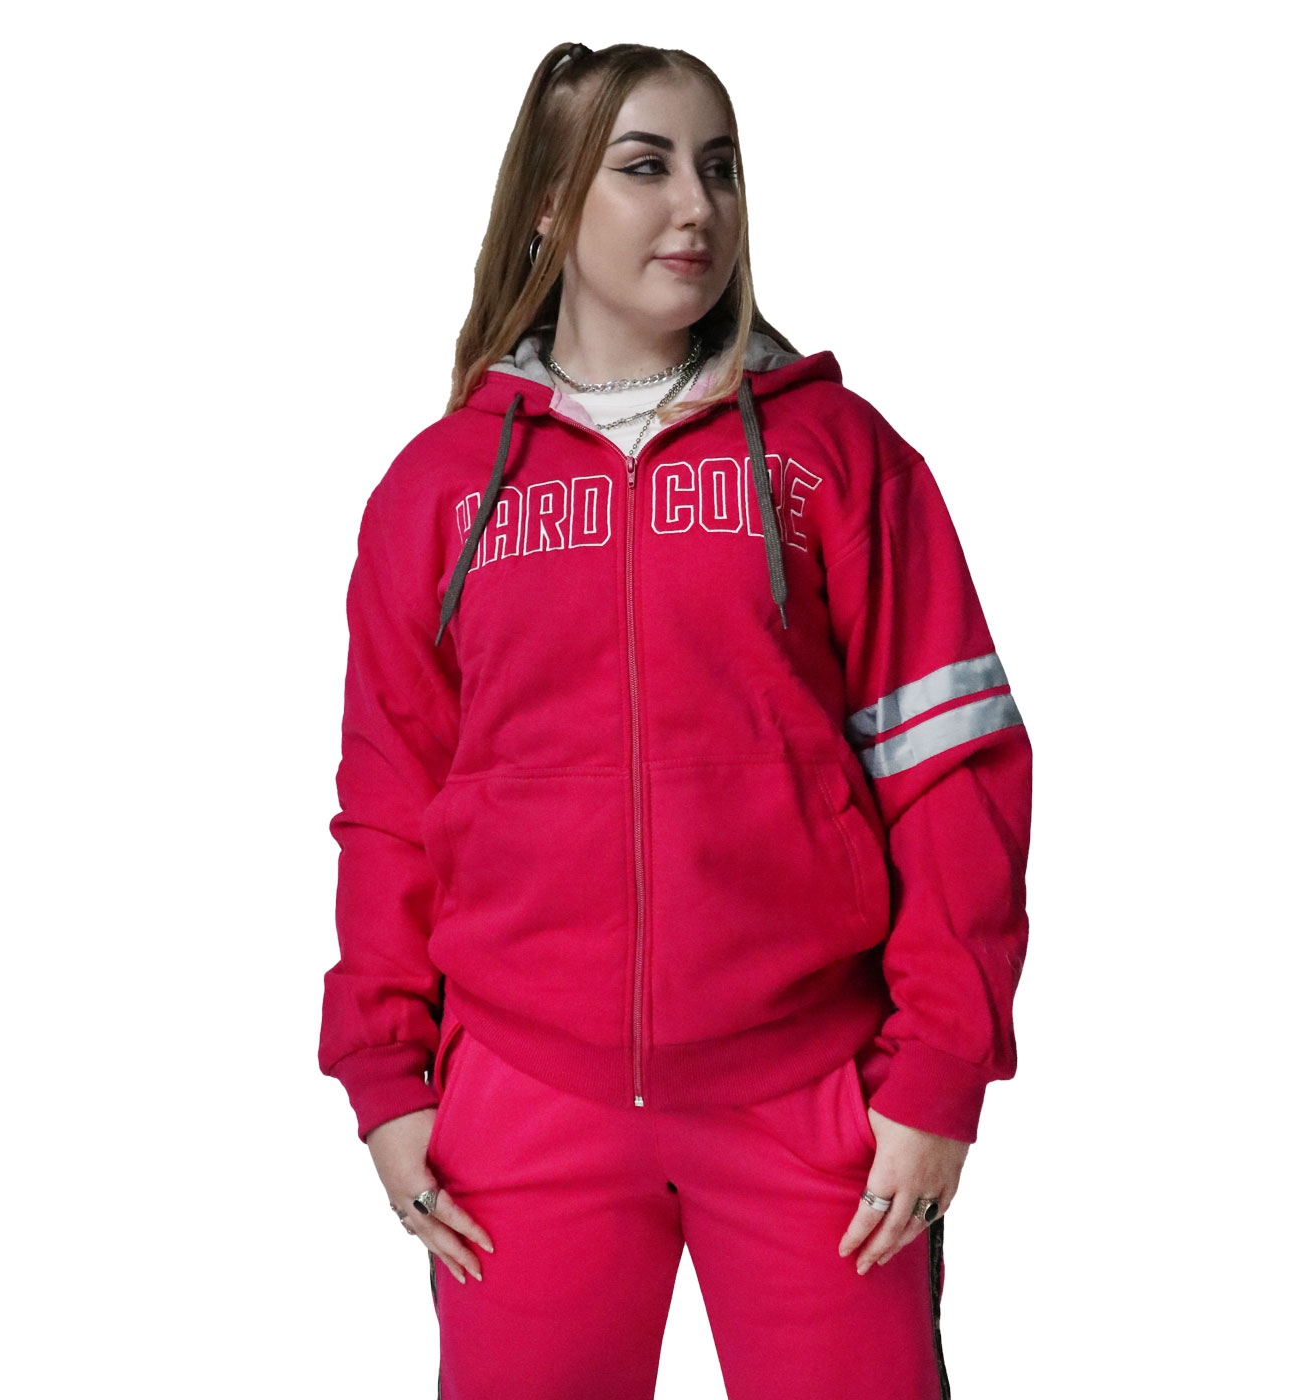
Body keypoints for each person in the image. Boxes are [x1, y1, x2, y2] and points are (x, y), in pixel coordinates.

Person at [318, 39, 1032, 1400]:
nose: (696, 207)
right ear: (549, 200)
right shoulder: (440, 489)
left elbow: (955, 768)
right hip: (522, 1104)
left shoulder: (837, 456)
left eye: (719, 168)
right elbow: (390, 805)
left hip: (817, 1100)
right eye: (644, 168)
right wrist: (388, 1079)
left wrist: (940, 1072)